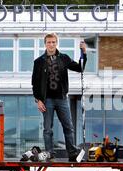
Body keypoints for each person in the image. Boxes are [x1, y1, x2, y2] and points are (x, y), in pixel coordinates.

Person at [32, 33, 87, 162]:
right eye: (49, 42)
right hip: (47, 100)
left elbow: (80, 68)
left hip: (62, 99)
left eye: (53, 42)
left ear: (56, 43)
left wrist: (83, 53)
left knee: (68, 127)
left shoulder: (64, 58)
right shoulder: (39, 62)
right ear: (45, 44)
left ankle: (72, 154)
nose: (51, 45)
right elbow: (35, 83)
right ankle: (49, 153)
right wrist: (38, 100)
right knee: (47, 129)